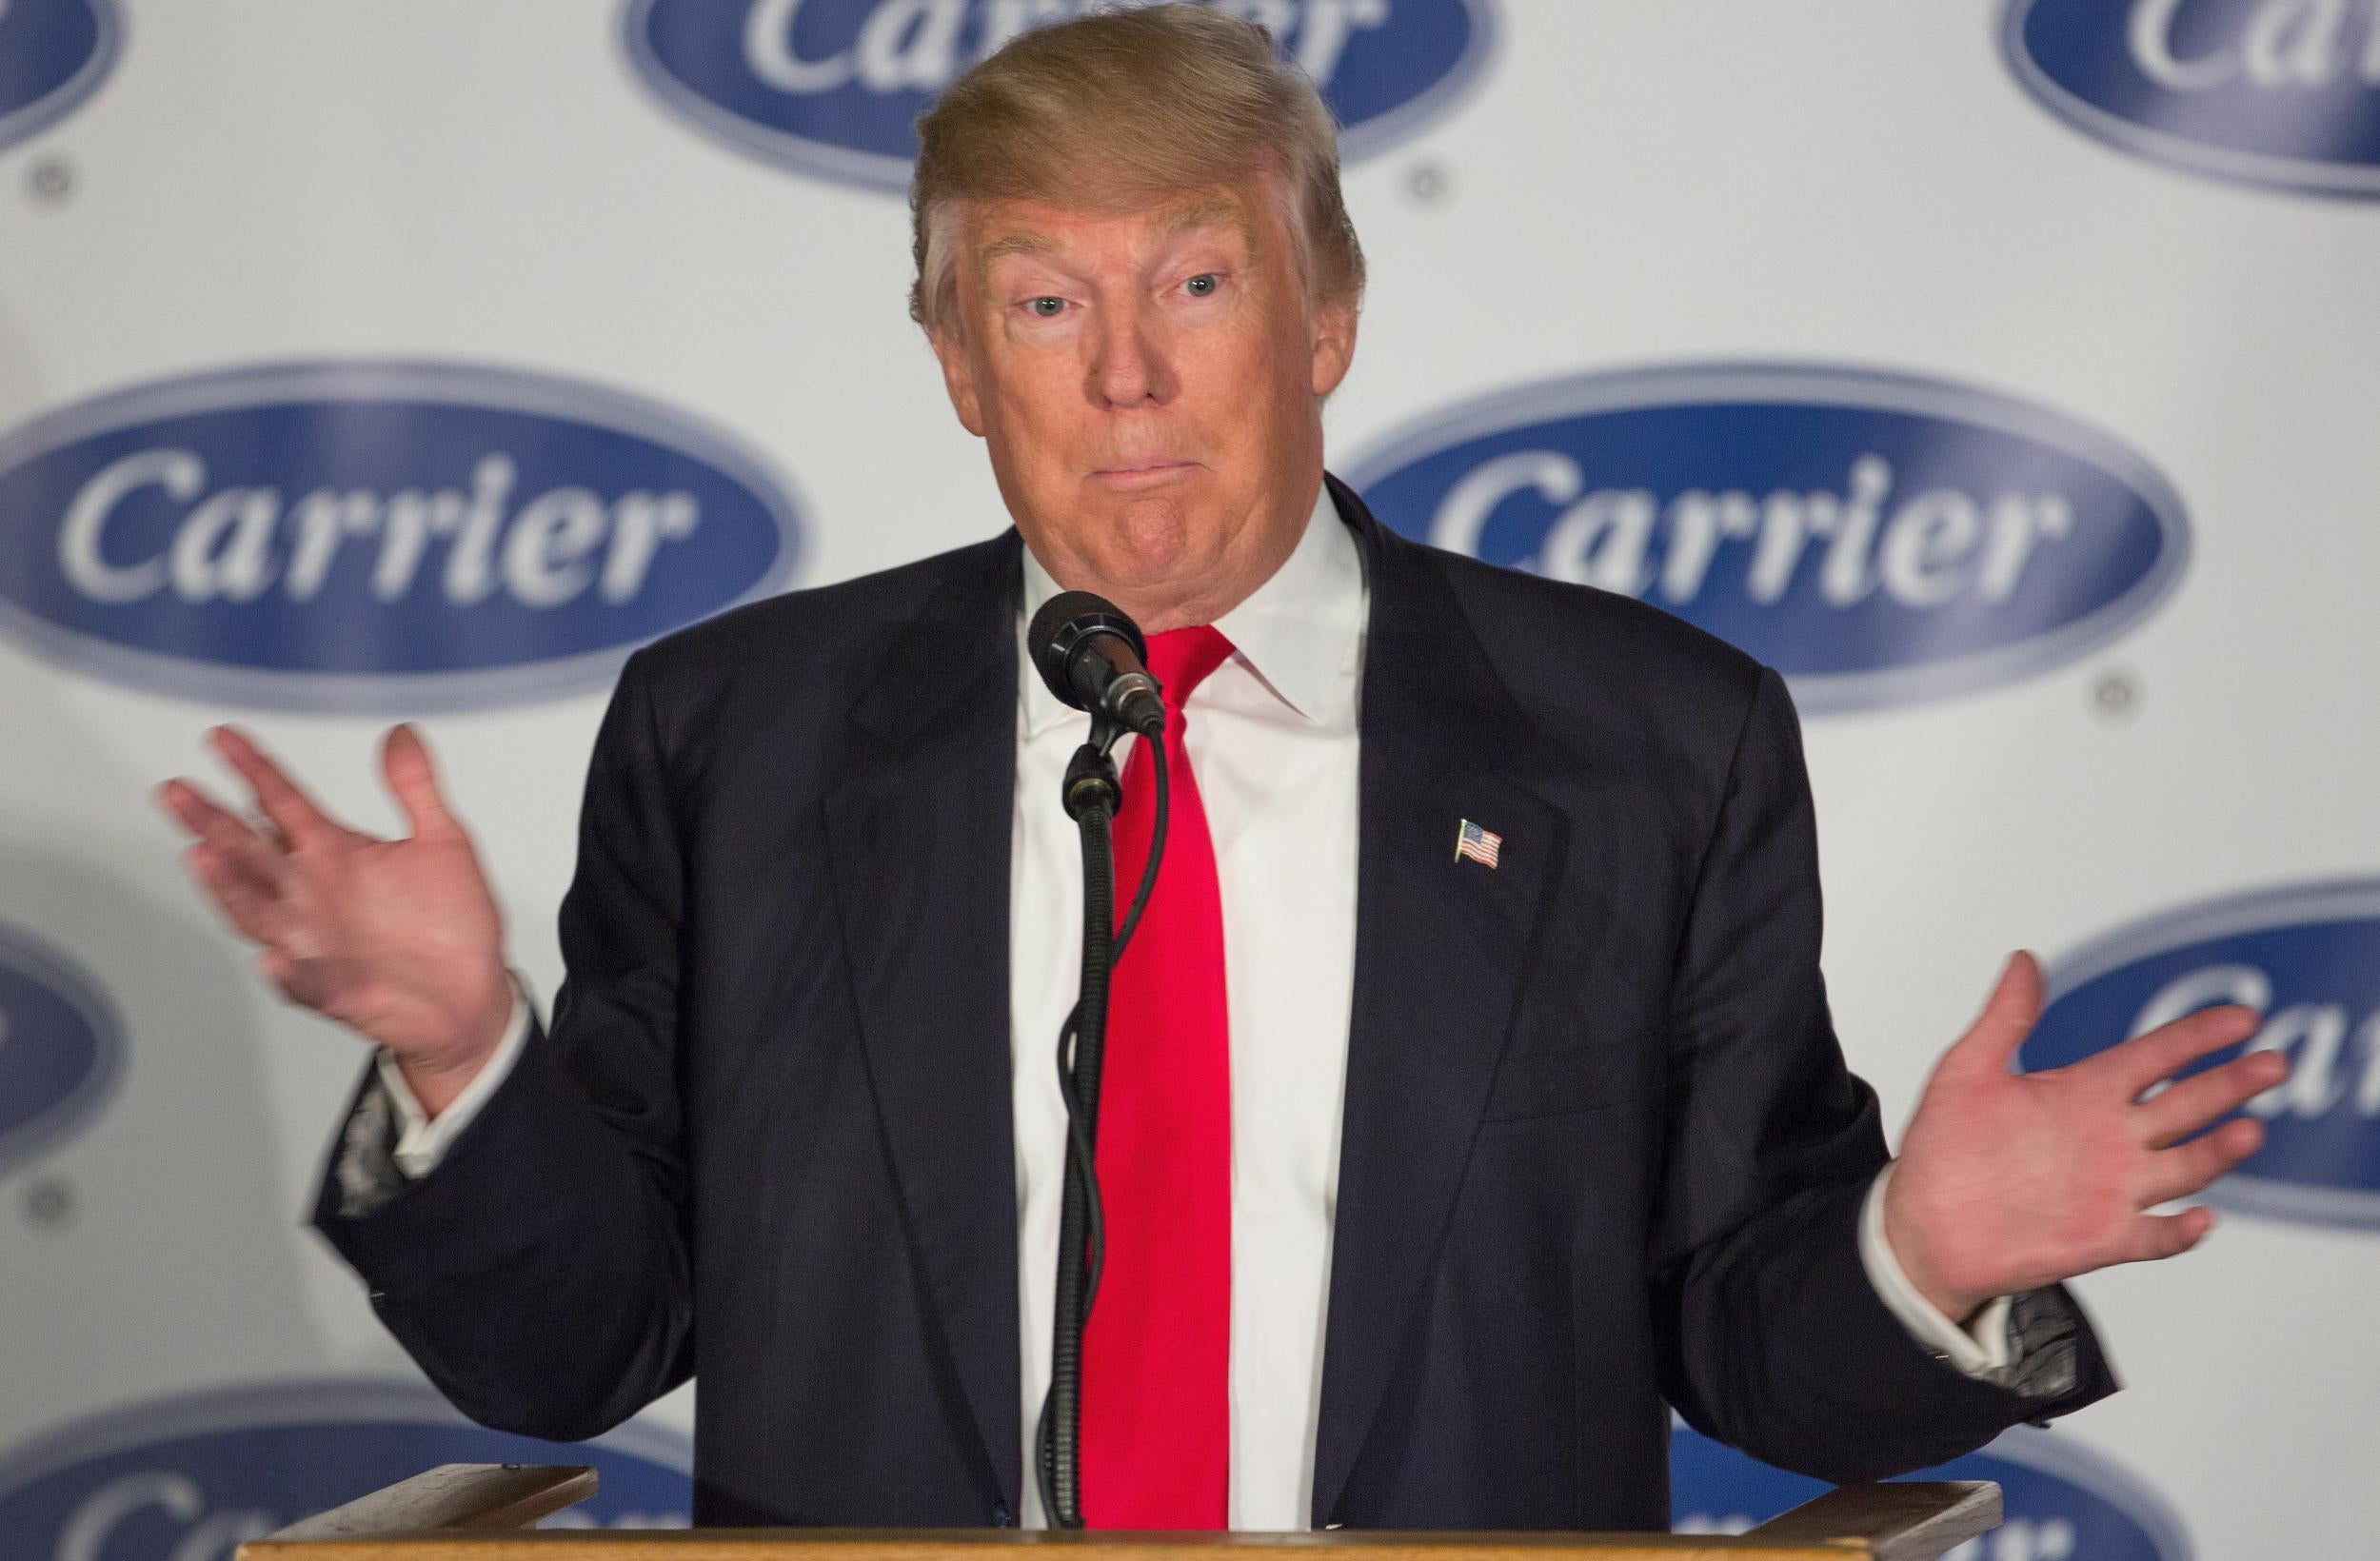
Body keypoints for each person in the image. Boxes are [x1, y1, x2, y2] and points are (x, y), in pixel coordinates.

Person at [158, 6, 2285, 1533]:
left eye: (1193, 277)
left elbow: (1748, 1346)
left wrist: (1921, 1252)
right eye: (1041, 301)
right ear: (952, 366)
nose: (1127, 376)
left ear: (1324, 310)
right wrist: (462, 1054)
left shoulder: (1649, 742)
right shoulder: (740, 737)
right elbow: (573, 1351)